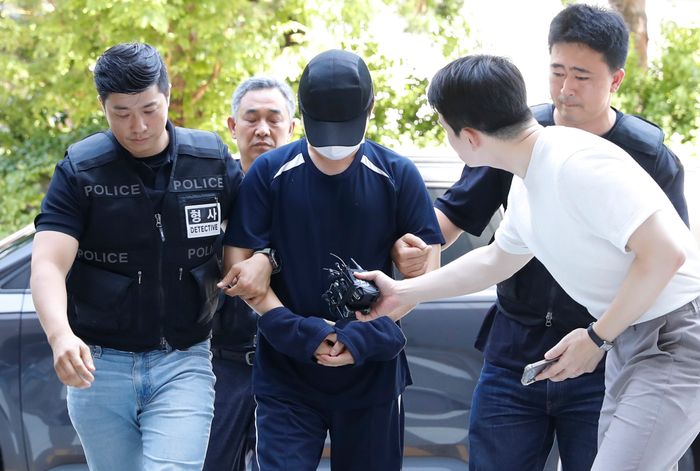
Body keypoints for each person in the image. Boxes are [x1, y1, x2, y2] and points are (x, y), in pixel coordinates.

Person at [359, 53, 700, 471]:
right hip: (631, 338)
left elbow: (666, 253)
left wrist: (596, 338)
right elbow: (496, 261)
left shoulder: (575, 163)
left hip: (674, 335)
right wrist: (401, 292)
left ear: (470, 137)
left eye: (446, 130)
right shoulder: (529, 177)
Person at [220, 49, 444, 470]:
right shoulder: (269, 172)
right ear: (302, 114)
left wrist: (364, 333)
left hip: (372, 372)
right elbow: (238, 266)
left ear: (370, 109)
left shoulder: (398, 173)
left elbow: (428, 273)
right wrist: (299, 330)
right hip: (287, 372)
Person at [30, 42, 242, 470]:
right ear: (103, 107)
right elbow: (48, 263)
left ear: (166, 95)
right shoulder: (81, 170)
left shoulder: (210, 160)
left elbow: (251, 232)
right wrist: (60, 336)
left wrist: (257, 262)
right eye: (121, 113)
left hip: (184, 360)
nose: (138, 126)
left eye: (149, 109)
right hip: (99, 367)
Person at [203, 76, 296, 471]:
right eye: (251, 118)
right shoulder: (208, 193)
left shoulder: (312, 191)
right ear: (232, 126)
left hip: (289, 365)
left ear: (292, 127)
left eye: (274, 119)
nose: (262, 129)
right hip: (219, 366)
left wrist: (269, 257)